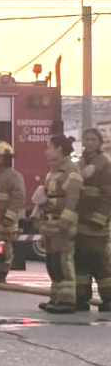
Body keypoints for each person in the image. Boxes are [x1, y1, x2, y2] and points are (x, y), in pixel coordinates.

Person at [34, 133, 82, 314]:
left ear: (60, 149)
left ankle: (67, 300)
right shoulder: (53, 171)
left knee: (63, 261)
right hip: (50, 224)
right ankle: (55, 298)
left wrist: (64, 222)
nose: (46, 152)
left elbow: (72, 199)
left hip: (62, 225)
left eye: (49, 147)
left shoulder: (71, 170)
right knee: (52, 262)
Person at [74, 127, 111, 311]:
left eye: (93, 140)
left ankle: (109, 298)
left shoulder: (105, 165)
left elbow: (108, 196)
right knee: (80, 261)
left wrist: (100, 218)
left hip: (96, 224)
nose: (89, 143)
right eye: (86, 139)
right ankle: (81, 297)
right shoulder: (80, 164)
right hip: (80, 221)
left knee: (100, 262)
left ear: (99, 144)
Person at [0, 141, 25, 282]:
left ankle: (0, 275)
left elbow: (18, 199)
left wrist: (8, 218)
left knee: (4, 250)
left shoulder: (14, 177)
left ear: (6, 158)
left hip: (6, 223)